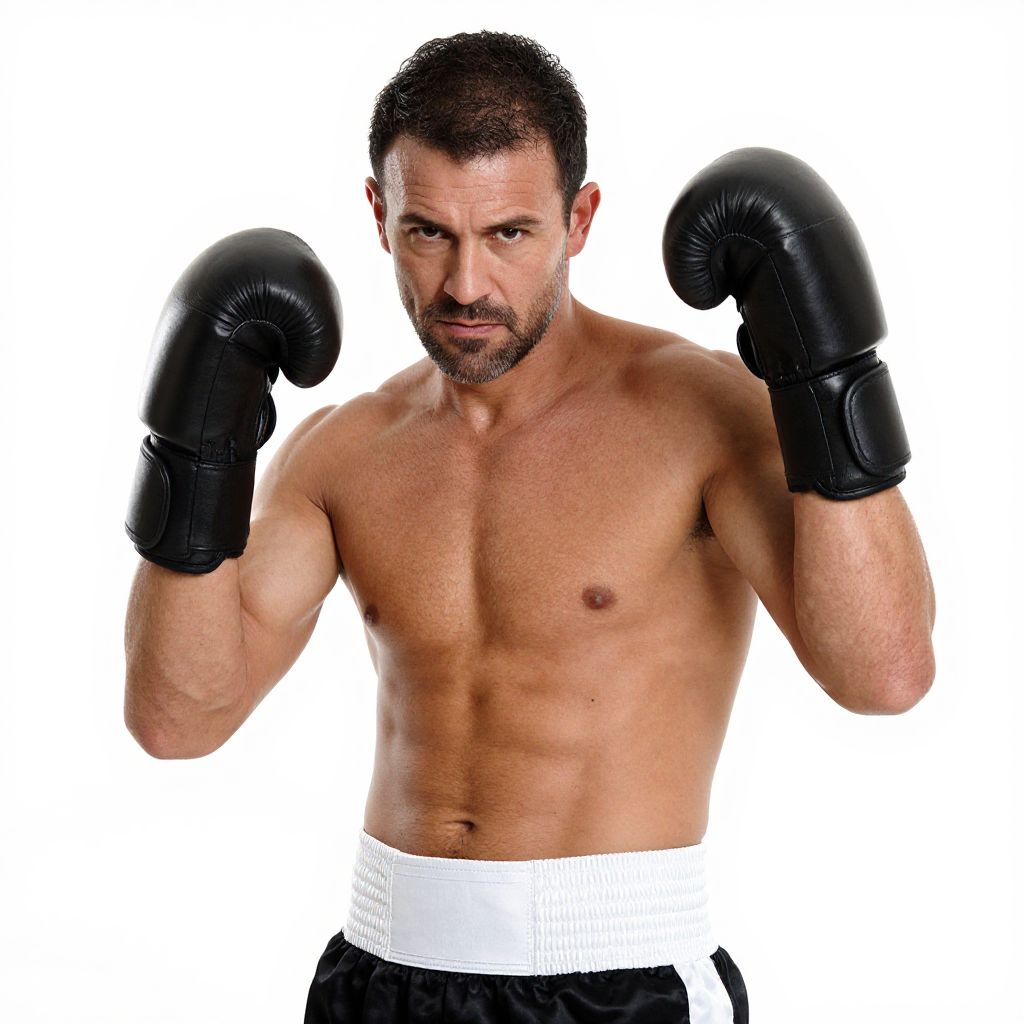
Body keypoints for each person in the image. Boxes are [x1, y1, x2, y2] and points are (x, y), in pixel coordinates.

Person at [123, 30, 936, 1024]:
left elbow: (883, 673)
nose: (466, 286)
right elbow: (178, 718)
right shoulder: (345, 449)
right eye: (428, 233)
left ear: (579, 217)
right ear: (378, 213)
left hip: (620, 978)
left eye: (508, 233)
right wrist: (192, 456)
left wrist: (829, 380)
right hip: (378, 970)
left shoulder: (697, 419)